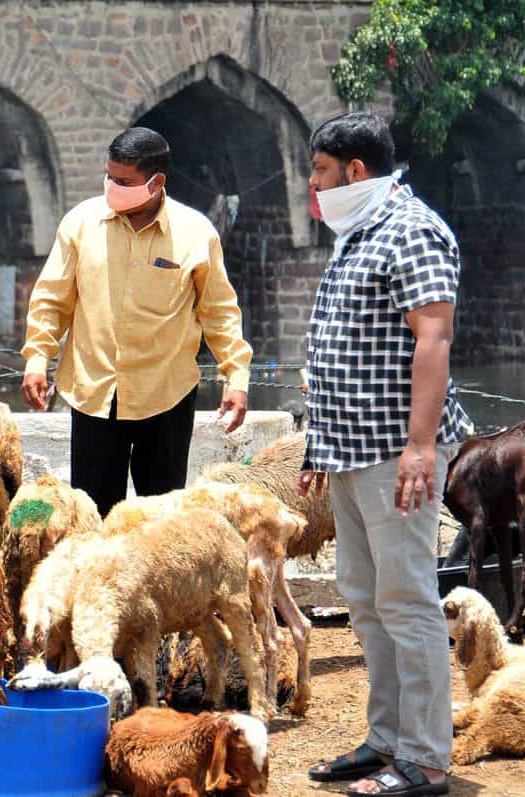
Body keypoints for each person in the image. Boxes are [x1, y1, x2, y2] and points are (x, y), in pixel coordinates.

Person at [300, 112, 472, 796]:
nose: (313, 184)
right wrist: (316, 442)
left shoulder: (413, 229)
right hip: (350, 445)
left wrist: (422, 448)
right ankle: (386, 738)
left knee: (406, 598)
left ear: (355, 170)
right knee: (366, 600)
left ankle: (427, 756)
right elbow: (336, 342)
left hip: (397, 447)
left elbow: (433, 339)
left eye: (319, 170)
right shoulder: (357, 231)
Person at [20, 127, 252, 516]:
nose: (112, 187)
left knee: (159, 524)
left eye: (123, 181)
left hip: (166, 396)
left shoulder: (195, 234)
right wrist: (37, 359)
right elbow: (51, 298)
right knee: (93, 519)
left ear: (156, 182)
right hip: (94, 395)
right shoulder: (81, 223)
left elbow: (219, 312)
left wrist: (237, 377)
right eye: (109, 176)